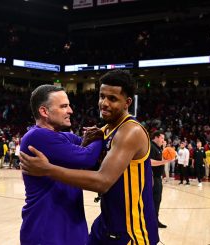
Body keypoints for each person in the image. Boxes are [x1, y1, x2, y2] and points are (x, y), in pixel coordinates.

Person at [20, 70, 159, 245]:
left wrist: (48, 169)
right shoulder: (104, 132)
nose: (104, 103)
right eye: (102, 96)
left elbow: (102, 180)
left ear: (127, 102)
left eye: (112, 99)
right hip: (105, 224)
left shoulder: (130, 131)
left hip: (131, 230)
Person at [19, 85, 103, 245]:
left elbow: (86, 146)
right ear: (44, 112)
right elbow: (86, 157)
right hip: (46, 230)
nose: (70, 110)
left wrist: (94, 140)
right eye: (64, 106)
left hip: (68, 224)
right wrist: (100, 136)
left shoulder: (62, 136)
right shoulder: (37, 136)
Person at [150, 130, 173, 229]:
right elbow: (149, 162)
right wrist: (165, 161)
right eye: (162, 138)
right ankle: (150, 221)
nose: (163, 140)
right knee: (153, 200)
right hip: (152, 178)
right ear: (156, 137)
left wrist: (164, 149)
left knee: (157, 200)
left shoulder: (158, 148)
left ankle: (155, 220)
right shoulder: (151, 146)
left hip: (158, 178)